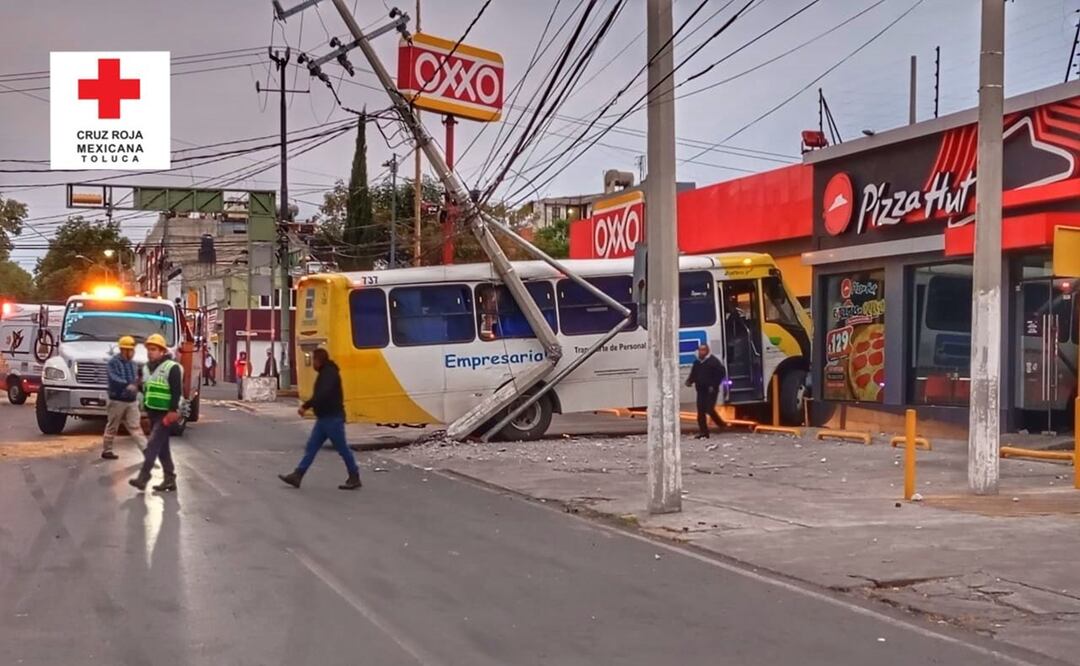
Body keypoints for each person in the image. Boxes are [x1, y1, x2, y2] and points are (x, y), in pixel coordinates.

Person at [278, 347, 361, 490]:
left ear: (319, 360)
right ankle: (297, 475)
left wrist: (306, 406)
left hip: (332, 418)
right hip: (324, 418)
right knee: (312, 447)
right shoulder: (325, 373)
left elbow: (322, 394)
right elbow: (321, 395)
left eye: (314, 360)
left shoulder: (329, 374)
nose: (312, 364)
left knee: (342, 448)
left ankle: (354, 476)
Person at [129, 334, 182, 492]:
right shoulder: (146, 368)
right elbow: (146, 387)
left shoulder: (171, 367)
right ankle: (170, 479)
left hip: (165, 414)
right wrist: (136, 387)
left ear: (162, 351)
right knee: (162, 448)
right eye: (148, 349)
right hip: (152, 412)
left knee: (152, 445)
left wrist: (173, 411)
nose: (150, 352)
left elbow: (176, 391)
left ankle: (143, 477)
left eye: (153, 349)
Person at [101, 336, 148, 460]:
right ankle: (107, 450)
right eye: (130, 350)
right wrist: (127, 385)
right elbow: (114, 378)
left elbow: (136, 380)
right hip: (117, 400)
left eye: (133, 350)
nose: (133, 352)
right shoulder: (113, 363)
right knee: (112, 426)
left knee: (135, 427)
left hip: (131, 401)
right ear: (123, 350)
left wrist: (140, 386)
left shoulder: (133, 364)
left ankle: (146, 451)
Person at [685, 343, 727, 439]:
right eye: (700, 350)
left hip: (711, 390)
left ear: (707, 351)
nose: (701, 352)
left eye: (703, 350)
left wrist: (714, 385)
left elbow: (721, 373)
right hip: (700, 390)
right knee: (700, 412)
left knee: (709, 409)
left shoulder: (713, 361)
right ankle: (704, 432)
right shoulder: (697, 363)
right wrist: (689, 381)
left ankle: (721, 424)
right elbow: (694, 374)